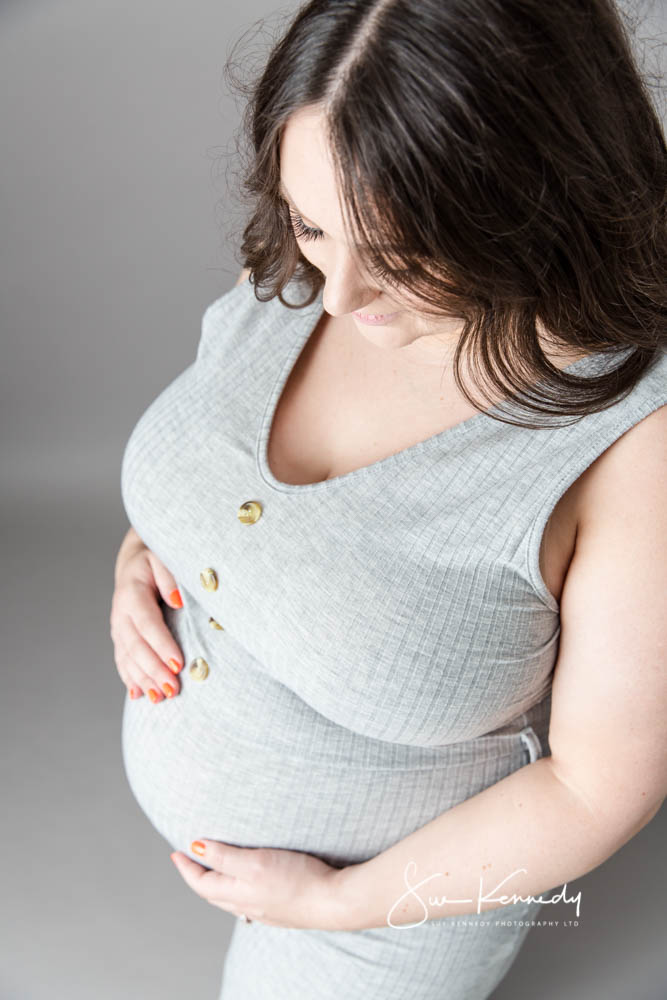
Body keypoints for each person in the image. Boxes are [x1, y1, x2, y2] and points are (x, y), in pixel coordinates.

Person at [110, 1, 667, 997]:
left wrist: (335, 902)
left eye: (406, 253)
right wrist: (150, 558)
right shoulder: (314, 258)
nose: (336, 296)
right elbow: (223, 476)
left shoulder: (633, 438)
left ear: (534, 197)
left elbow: (595, 788)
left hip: (387, 909)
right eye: (313, 222)